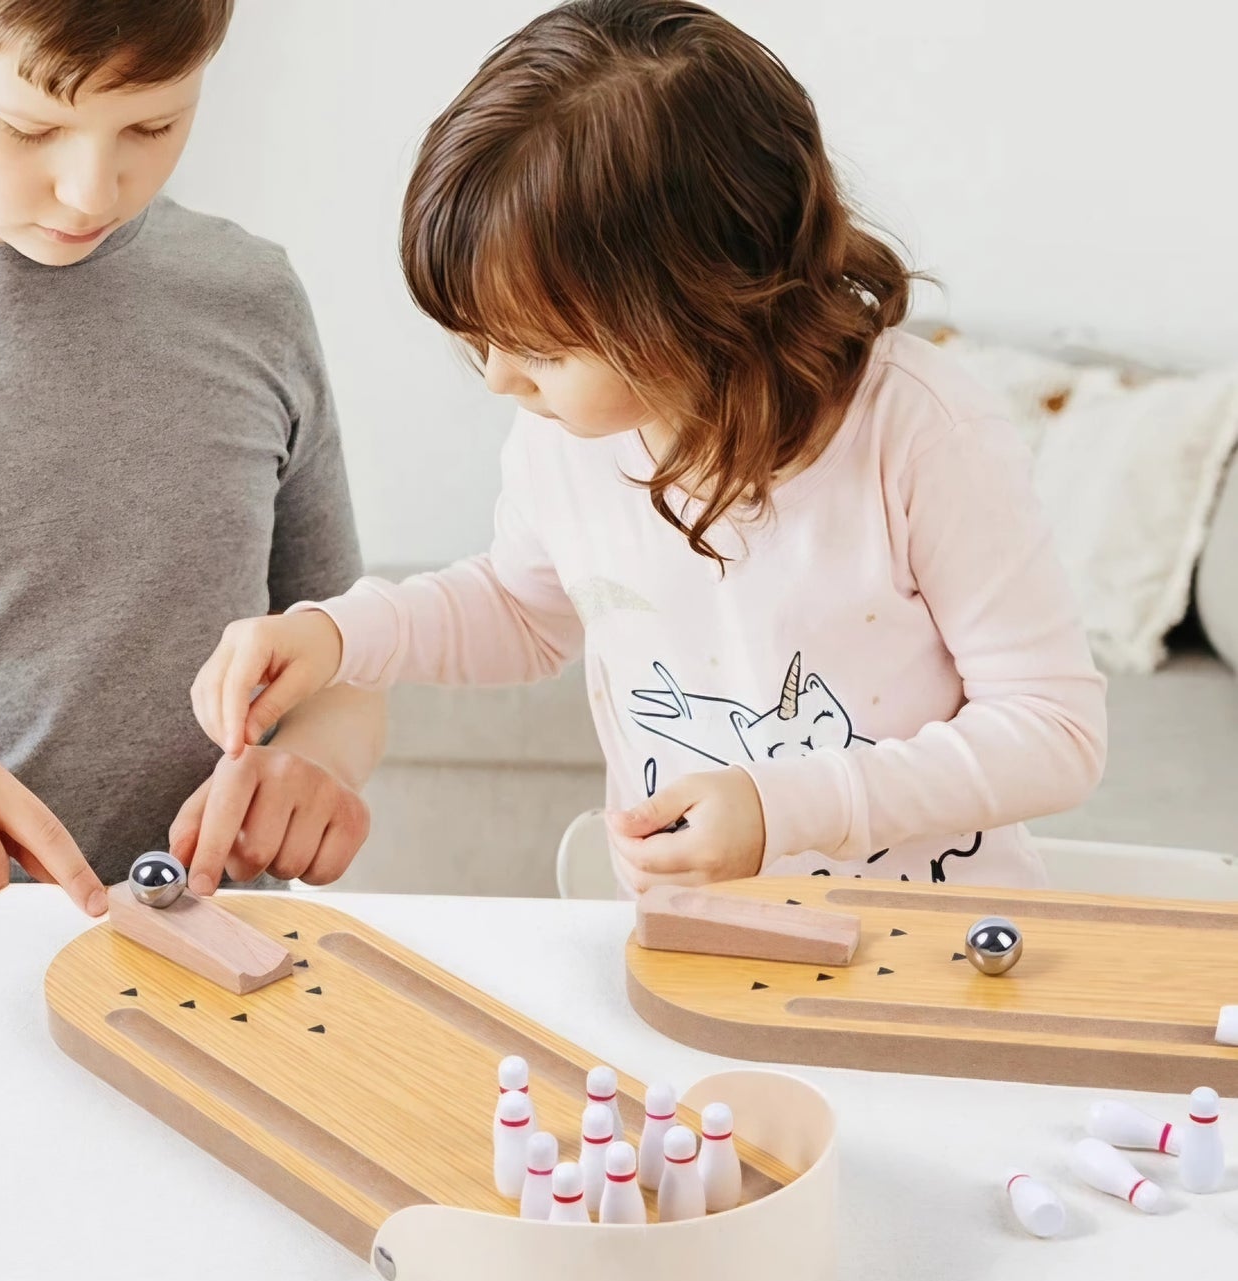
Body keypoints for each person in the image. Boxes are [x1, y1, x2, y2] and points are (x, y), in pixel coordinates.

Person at [190, 0, 1105, 895]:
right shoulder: (569, 437)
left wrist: (784, 806)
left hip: (924, 955)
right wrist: (336, 634)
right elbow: (520, 607)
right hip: (696, 944)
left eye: (542, 349)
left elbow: (1054, 729)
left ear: (694, 303)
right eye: (479, 340)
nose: (500, 380)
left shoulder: (922, 434)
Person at [0, 0, 383, 917]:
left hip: (210, 965)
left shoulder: (252, 299)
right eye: (32, 128)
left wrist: (311, 764)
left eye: (153, 123)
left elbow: (343, 655)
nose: (92, 192)